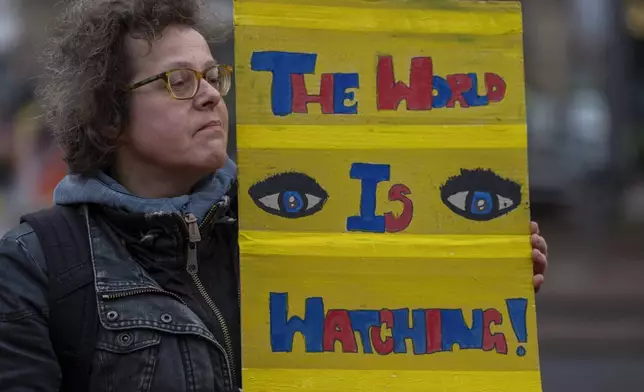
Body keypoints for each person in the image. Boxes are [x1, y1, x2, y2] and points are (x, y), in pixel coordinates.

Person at [0, 0, 549, 391]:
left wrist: (473, 277)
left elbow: (382, 342)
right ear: (110, 114)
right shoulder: (38, 265)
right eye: (179, 81)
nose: (212, 96)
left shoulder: (292, 225)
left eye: (213, 76)